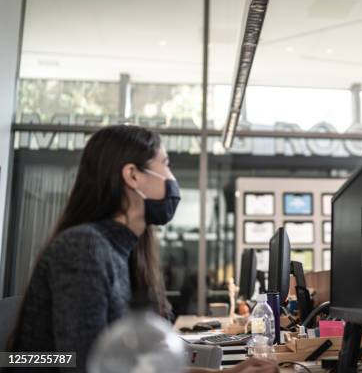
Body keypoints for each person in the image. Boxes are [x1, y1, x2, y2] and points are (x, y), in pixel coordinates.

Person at [8, 125, 277, 373]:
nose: (172, 178)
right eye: (166, 165)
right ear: (133, 175)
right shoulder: (84, 248)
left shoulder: (125, 251)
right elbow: (87, 364)